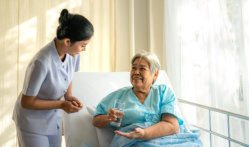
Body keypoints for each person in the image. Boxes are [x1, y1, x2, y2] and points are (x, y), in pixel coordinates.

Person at [13, 9, 94, 147]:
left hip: (52, 119)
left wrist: (68, 96)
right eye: (83, 45)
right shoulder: (41, 62)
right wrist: (62, 104)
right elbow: (26, 102)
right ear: (68, 41)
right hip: (31, 122)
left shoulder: (73, 54)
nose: (84, 49)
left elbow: (69, 75)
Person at [92, 52, 203, 146]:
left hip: (169, 140)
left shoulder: (163, 92)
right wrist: (108, 118)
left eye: (142, 69)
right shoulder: (118, 95)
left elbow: (172, 126)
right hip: (133, 142)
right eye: (134, 68)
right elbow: (96, 120)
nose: (136, 72)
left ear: (155, 75)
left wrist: (144, 133)